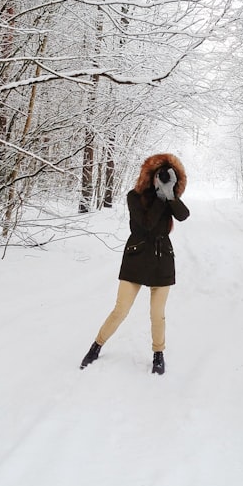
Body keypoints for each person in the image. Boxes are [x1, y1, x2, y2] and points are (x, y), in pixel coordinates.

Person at [80, 153, 190, 375]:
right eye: (158, 175)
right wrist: (161, 197)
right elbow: (147, 224)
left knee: (157, 313)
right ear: (148, 176)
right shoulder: (134, 196)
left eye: (166, 175)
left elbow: (184, 215)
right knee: (120, 309)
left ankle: (158, 354)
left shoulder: (169, 199)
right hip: (136, 259)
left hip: (162, 260)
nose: (161, 178)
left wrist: (169, 195)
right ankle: (97, 345)